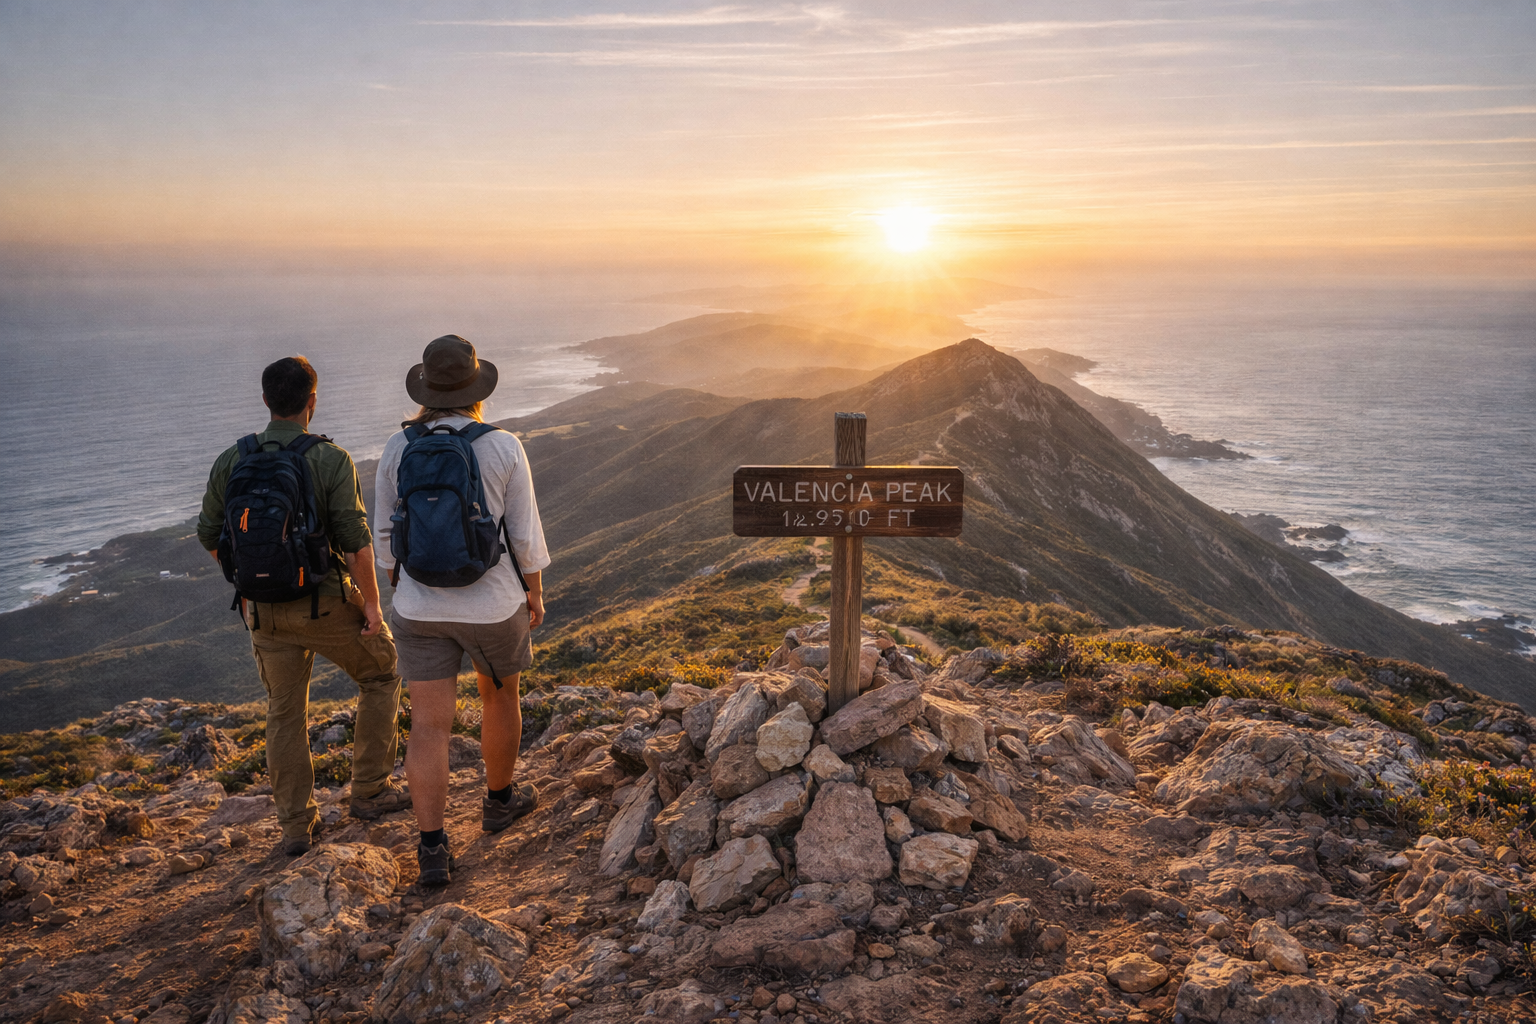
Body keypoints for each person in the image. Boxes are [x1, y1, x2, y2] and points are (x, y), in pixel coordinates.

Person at [198, 356, 411, 856]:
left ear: (266, 401)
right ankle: (370, 791)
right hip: (326, 604)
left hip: (263, 614)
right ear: (312, 401)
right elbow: (357, 544)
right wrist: (372, 608)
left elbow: (210, 535)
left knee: (284, 712)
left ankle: (296, 828)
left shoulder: (233, 458)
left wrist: (251, 579)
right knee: (381, 675)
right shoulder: (330, 459)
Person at [374, 334, 550, 887]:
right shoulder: (502, 447)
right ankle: (498, 803)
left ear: (425, 389)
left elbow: (385, 541)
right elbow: (524, 538)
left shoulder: (397, 449)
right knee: (499, 698)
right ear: (476, 389)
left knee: (428, 725)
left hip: (418, 606)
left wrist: (406, 589)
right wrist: (534, 592)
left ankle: (431, 849)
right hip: (493, 605)